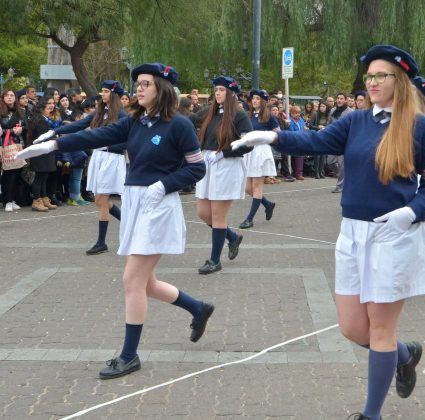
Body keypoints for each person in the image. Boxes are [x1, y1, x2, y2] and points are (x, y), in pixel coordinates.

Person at [232, 44, 425, 420]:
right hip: (351, 233)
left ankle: (371, 414)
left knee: (380, 329)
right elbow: (316, 142)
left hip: (392, 235)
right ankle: (405, 354)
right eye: (370, 76)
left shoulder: (420, 126)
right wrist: (273, 137)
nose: (373, 82)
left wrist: (410, 213)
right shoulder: (355, 120)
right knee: (351, 328)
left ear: (400, 80)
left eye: (382, 76)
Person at [17, 62, 214, 380]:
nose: (139, 88)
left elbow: (197, 168)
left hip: (158, 207)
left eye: (146, 83)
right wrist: (52, 145)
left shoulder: (178, 125)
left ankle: (129, 355)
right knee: (146, 284)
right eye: (137, 83)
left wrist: (164, 185)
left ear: (161, 89)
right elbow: (94, 136)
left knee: (131, 282)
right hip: (136, 203)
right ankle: (198, 308)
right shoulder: (136, 121)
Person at [34, 81, 128, 254]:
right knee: (101, 201)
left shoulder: (122, 115)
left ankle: (122, 229)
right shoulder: (100, 112)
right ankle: (103, 241)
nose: (103, 94)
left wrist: (110, 144)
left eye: (106, 92)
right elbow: (79, 124)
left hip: (111, 158)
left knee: (101, 200)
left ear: (114, 95)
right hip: (99, 157)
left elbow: (127, 140)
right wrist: (55, 131)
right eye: (103, 91)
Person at [193, 76, 252, 274]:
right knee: (203, 212)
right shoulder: (211, 111)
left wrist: (224, 153)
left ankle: (214, 260)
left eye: (221, 89)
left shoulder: (239, 114)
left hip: (226, 166)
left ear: (231, 92)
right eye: (216, 89)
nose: (217, 93)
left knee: (218, 216)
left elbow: (248, 144)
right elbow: (190, 119)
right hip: (208, 164)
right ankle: (232, 237)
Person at [238, 89, 278, 229]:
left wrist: (265, 139)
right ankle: (267, 204)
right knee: (247, 187)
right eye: (252, 98)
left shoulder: (269, 117)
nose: (254, 101)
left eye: (257, 98)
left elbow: (277, 134)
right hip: (249, 152)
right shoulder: (248, 115)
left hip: (260, 153)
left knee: (256, 187)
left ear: (263, 101)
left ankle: (250, 219)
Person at [25, 95, 62, 211]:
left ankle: (44, 198)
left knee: (45, 176)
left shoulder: (44, 119)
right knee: (39, 177)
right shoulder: (38, 119)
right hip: (40, 151)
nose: (51, 108)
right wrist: (55, 136)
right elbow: (41, 137)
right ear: (42, 108)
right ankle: (36, 200)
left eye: (52, 105)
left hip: (45, 151)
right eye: (48, 107)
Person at [1, 90, 27, 211]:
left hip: (18, 145)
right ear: (3, 98)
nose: (10, 98)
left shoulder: (21, 111)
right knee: (8, 173)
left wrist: (22, 129)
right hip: (4, 146)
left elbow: (26, 126)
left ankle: (12, 199)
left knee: (17, 171)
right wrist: (11, 131)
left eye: (12, 95)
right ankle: (7, 200)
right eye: (7, 95)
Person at [329, 92, 353, 193]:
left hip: (345, 141)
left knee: (342, 164)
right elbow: (329, 124)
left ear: (346, 100)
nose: (339, 100)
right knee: (330, 162)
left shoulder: (351, 112)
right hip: (334, 140)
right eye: (338, 98)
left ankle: (340, 185)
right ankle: (346, 178)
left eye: (341, 98)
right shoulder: (332, 110)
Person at [310, 101, 329, 179]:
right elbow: (311, 125)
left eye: (324, 106)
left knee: (323, 156)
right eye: (321, 106)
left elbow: (331, 125)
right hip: (317, 135)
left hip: (325, 136)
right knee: (317, 155)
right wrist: (319, 127)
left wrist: (325, 127)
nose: (322, 108)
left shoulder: (328, 115)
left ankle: (321, 172)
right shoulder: (315, 114)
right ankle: (316, 172)